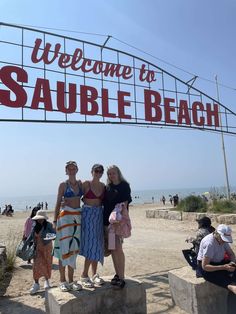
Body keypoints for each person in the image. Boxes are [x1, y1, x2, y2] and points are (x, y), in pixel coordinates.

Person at [53, 161, 83, 292]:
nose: (71, 170)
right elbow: (58, 201)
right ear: (66, 171)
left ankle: (71, 281)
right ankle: (62, 280)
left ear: (77, 169)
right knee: (63, 249)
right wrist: (54, 220)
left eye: (73, 168)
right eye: (69, 168)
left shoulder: (81, 184)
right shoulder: (63, 185)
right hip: (65, 218)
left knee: (74, 248)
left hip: (77, 218)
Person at [103, 165, 132, 289]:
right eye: (109, 174)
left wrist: (119, 219)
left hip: (118, 223)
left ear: (118, 173)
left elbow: (125, 204)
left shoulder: (124, 186)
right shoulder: (108, 187)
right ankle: (117, 274)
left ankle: (122, 277)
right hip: (108, 223)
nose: (111, 175)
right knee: (112, 248)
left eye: (113, 173)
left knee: (118, 249)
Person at [80, 164, 105, 288]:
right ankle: (84, 275)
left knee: (97, 245)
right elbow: (75, 196)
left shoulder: (103, 186)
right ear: (92, 171)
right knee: (91, 244)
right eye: (96, 170)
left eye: (101, 171)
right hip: (88, 215)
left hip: (99, 215)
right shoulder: (86, 184)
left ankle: (94, 274)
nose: (98, 173)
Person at [197, 224, 236, 294]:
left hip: (219, 262)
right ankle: (232, 286)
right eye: (223, 239)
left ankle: (232, 283)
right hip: (207, 267)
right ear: (217, 234)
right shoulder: (209, 243)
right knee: (223, 280)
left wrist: (232, 263)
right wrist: (223, 267)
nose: (224, 241)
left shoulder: (222, 240)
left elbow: (231, 254)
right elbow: (205, 266)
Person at [25, 210, 55, 294]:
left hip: (47, 248)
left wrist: (45, 237)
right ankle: (36, 284)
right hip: (37, 248)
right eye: (38, 218)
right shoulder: (35, 226)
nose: (39, 220)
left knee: (47, 264)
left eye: (41, 218)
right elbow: (31, 236)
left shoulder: (49, 225)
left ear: (44, 218)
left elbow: (54, 235)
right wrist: (25, 245)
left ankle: (47, 281)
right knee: (36, 266)